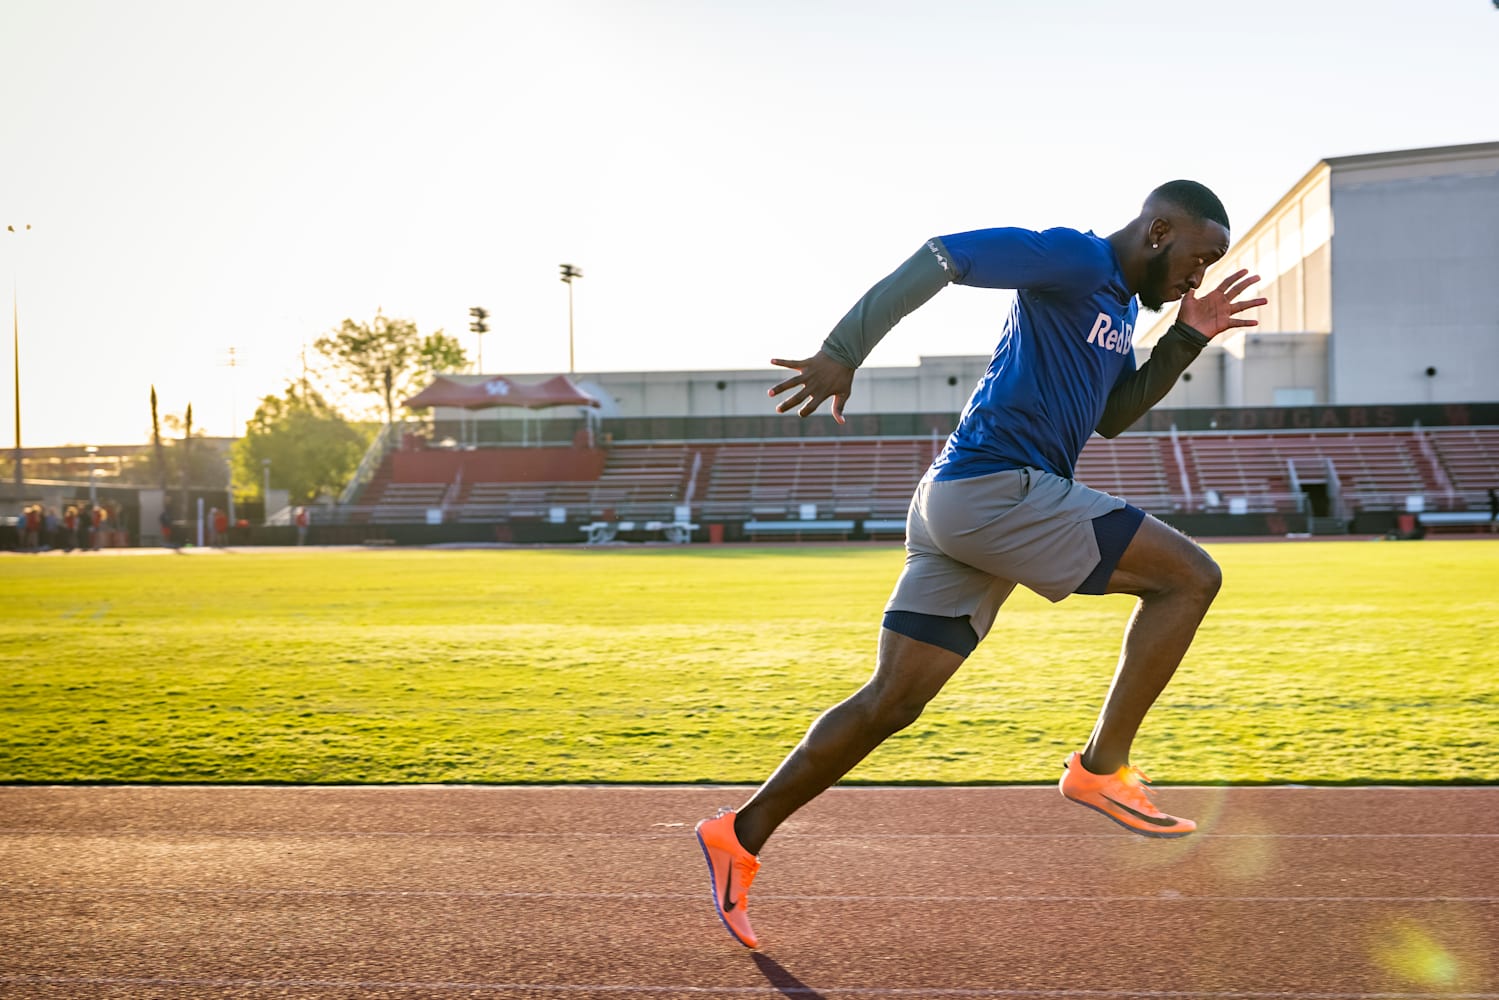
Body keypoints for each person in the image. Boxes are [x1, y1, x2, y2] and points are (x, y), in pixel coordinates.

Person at [695, 181, 1267, 949]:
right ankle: (1101, 765)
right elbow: (944, 256)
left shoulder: (1121, 309)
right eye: (1196, 260)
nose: (1196, 278)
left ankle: (739, 832)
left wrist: (1186, 337)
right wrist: (841, 349)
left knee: (891, 702)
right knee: (1190, 578)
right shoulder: (1073, 256)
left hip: (959, 502)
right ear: (1158, 230)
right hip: (996, 490)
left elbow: (1113, 416)